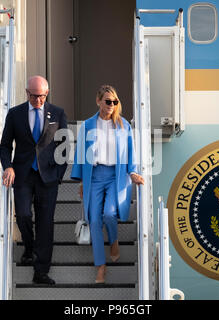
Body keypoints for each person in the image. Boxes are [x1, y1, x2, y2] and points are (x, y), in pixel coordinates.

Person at [71, 84, 144, 284]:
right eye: (108, 101)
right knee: (94, 220)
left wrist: (134, 172)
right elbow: (81, 154)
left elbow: (131, 151)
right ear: (98, 101)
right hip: (94, 176)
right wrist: (82, 182)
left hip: (116, 175)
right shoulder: (87, 125)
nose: (112, 105)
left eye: (115, 102)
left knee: (109, 214)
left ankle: (113, 240)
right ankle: (101, 267)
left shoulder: (123, 125)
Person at [0, 75, 68, 285]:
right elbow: (5, 145)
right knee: (23, 215)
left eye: (42, 96)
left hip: (48, 177)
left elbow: (64, 146)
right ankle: (29, 247)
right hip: (23, 174)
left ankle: (41, 272)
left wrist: (58, 175)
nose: (38, 100)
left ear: (47, 94)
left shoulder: (57, 113)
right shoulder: (15, 114)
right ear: (27, 92)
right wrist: (8, 166)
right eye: (34, 96)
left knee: (46, 224)